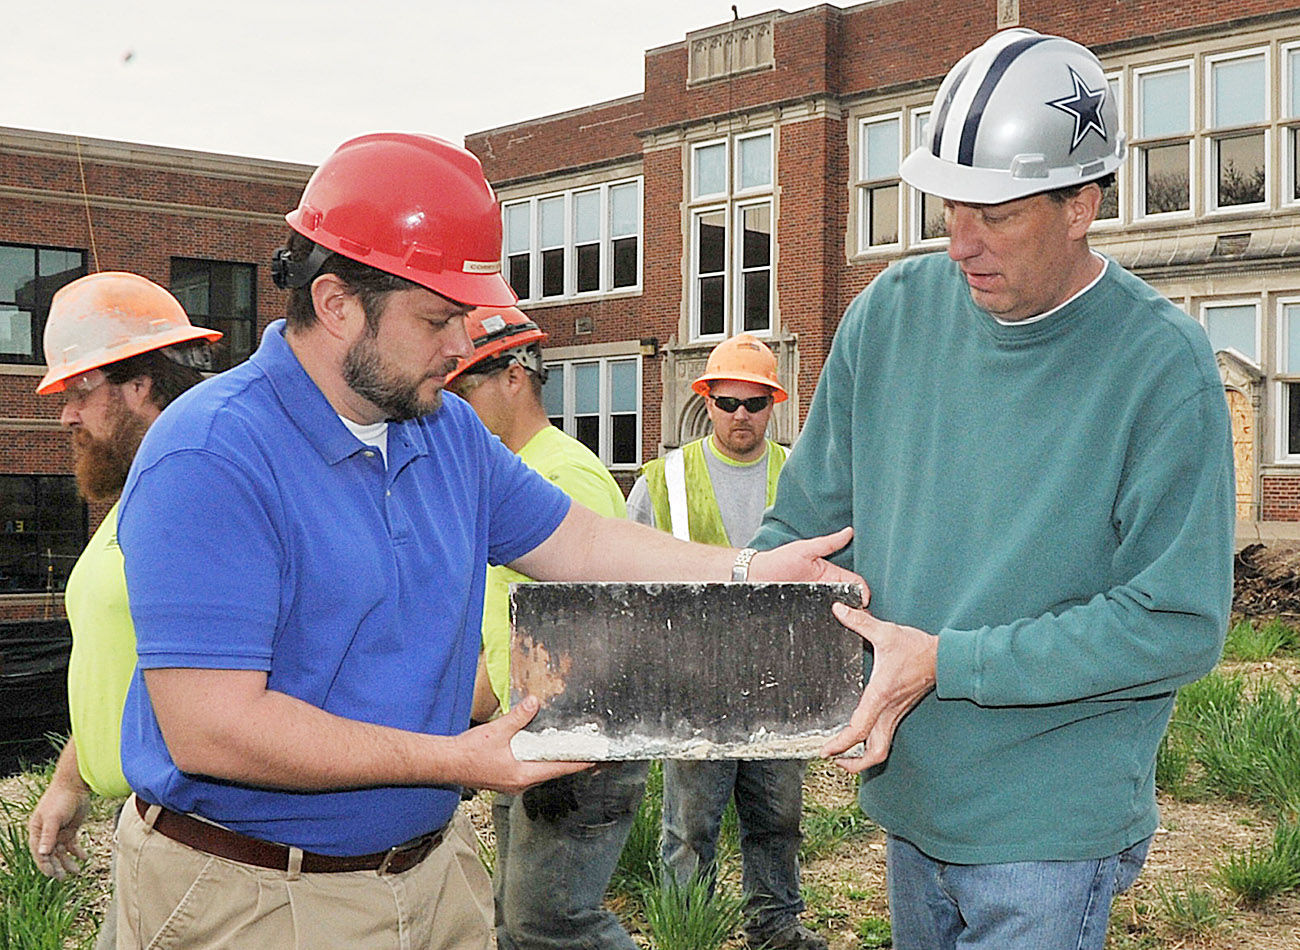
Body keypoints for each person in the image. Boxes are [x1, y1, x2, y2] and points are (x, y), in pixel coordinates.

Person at [111, 131, 863, 950]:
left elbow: (575, 541)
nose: (464, 347)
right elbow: (212, 727)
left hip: (431, 881)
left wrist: (750, 569)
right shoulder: (211, 454)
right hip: (250, 898)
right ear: (335, 304)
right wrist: (456, 760)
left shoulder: (443, 434)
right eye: (438, 319)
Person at [750, 29, 1235, 950]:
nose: (960, 244)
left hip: (1049, 828)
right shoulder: (891, 315)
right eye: (947, 207)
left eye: (997, 214)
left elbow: (1177, 623)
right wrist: (764, 597)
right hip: (910, 803)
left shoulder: (1160, 365)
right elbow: (805, 524)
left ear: (1083, 203)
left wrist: (948, 661)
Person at [25, 272, 219, 950]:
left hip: (207, 850)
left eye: (79, 389)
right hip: (152, 831)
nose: (66, 415)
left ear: (140, 384)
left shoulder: (204, 491)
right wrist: (73, 778)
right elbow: (131, 659)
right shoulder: (143, 496)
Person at [445, 305, 648, 950]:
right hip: (531, 733)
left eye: (466, 385)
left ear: (515, 378)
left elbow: (596, 626)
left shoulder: (563, 475)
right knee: (515, 922)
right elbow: (507, 621)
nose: (454, 401)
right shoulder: (507, 474)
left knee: (549, 921)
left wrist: (558, 747)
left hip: (578, 743)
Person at [626, 333, 825, 950]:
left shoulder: (801, 477)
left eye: (755, 403)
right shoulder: (665, 480)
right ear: (706, 401)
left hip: (777, 685)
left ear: (774, 406)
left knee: (778, 819)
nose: (741, 415)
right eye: (728, 401)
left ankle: (776, 927)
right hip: (695, 686)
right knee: (690, 825)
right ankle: (689, 931)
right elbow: (629, 572)